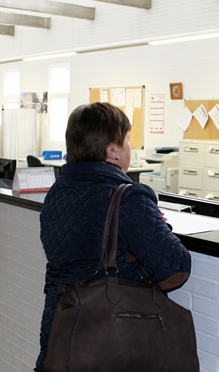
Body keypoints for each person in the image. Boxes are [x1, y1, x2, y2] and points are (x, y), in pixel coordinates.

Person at [35, 102, 192, 371]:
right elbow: (175, 266)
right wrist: (156, 226)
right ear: (112, 151)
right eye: (128, 140)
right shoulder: (129, 197)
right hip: (109, 337)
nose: (131, 147)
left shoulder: (57, 192)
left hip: (61, 324)